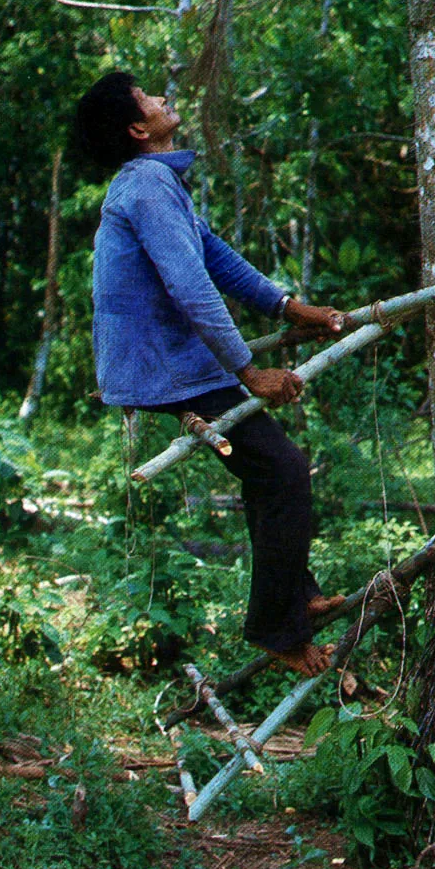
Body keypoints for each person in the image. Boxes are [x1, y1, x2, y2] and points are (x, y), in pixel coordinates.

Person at [75, 71, 345, 676]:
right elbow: (192, 287)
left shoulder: (157, 183)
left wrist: (286, 306)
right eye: (149, 99)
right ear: (139, 128)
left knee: (269, 470)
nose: (163, 99)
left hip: (177, 361)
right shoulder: (146, 185)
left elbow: (215, 256)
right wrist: (250, 372)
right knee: (283, 471)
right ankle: (278, 629)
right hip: (167, 366)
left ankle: (294, 598)